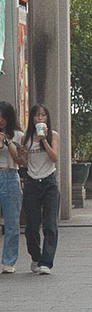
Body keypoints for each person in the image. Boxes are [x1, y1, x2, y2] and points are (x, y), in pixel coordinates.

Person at [20, 104, 60, 276]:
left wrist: (44, 140)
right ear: (32, 119)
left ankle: (46, 262)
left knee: (50, 224)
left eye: (43, 115)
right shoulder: (26, 138)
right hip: (32, 183)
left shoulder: (53, 135)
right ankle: (36, 257)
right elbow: (24, 162)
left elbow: (54, 157)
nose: (40, 118)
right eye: (37, 115)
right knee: (32, 226)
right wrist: (22, 153)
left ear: (47, 118)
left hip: (49, 182)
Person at [0, 102, 25, 273]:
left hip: (10, 175)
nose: (1, 120)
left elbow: (20, 161)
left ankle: (8, 261)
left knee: (11, 223)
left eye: (3, 116)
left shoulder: (18, 135)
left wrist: (7, 143)